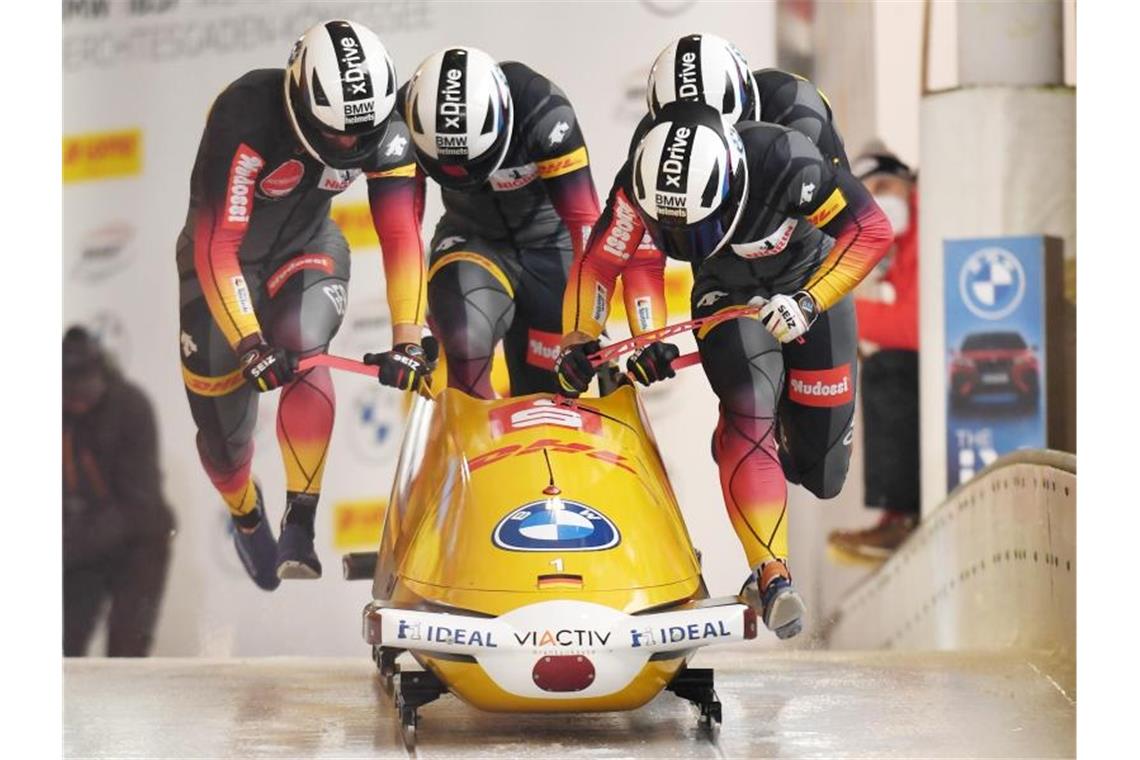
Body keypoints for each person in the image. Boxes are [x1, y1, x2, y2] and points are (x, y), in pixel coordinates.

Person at [558, 35, 876, 640]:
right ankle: (771, 569)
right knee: (748, 401)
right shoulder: (654, 160)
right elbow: (621, 258)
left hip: (810, 270)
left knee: (822, 472)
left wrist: (811, 300)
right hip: (725, 286)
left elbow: (860, 230)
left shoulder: (795, 130)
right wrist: (619, 336)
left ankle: (780, 430)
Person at [177, 20, 429, 588]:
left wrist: (409, 339)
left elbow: (401, 236)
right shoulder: (247, 115)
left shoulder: (386, 130)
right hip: (221, 257)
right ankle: (246, 515)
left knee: (303, 341)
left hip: (308, 245)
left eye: (361, 133)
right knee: (223, 435)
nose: (350, 146)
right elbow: (218, 243)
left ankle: (301, 520)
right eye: (337, 134)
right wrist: (247, 340)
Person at [399, 46, 602, 398]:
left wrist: (584, 327)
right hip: (472, 241)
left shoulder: (544, 113)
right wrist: (408, 336)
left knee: (553, 392)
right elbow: (402, 229)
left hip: (551, 247)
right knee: (465, 340)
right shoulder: (405, 116)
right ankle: (472, 445)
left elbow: (585, 223)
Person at [827, 142, 921, 560]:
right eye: (869, 196)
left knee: (890, 369)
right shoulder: (901, 250)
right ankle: (897, 514)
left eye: (886, 185)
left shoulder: (931, 218)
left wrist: (835, 307)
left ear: (907, 183)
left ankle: (900, 517)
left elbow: (916, 326)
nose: (881, 200)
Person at [64, 327, 175, 656]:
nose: (76, 400)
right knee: (63, 642)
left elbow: (138, 505)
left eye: (81, 389)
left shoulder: (130, 407)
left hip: (139, 542)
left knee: (127, 650)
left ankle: (126, 707)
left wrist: (68, 546)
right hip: (81, 541)